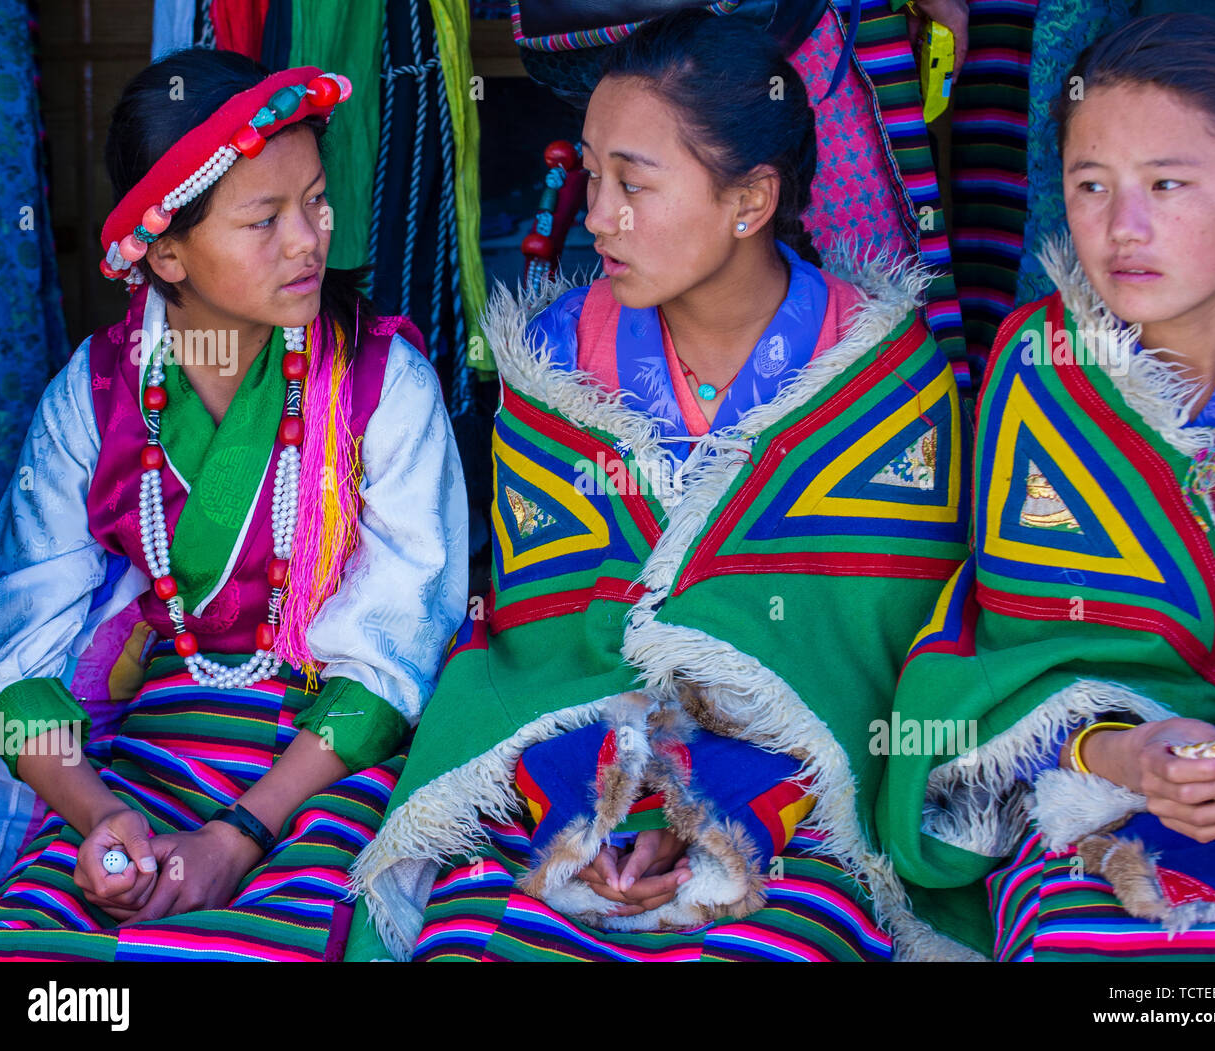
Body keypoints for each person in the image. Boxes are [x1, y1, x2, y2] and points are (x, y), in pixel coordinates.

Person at [348, 11, 974, 962]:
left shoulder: (878, 377)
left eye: (633, 184)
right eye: (592, 174)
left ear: (751, 199)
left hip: (807, 794)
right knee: (488, 935)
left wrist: (711, 798)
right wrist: (613, 796)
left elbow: (871, 656)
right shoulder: (559, 363)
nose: (596, 215)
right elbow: (547, 641)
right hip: (579, 771)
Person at [0, 48, 468, 961]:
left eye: (316, 201)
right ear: (166, 249)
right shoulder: (93, 397)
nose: (309, 239)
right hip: (147, 744)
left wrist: (236, 834)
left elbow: (397, 654)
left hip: (329, 756)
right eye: (264, 219)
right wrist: (104, 820)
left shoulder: (382, 383)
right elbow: (17, 657)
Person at [878, 14, 1215, 960]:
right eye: (1089, 186)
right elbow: (1011, 651)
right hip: (1095, 808)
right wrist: (1127, 752)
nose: (1120, 228)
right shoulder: (1043, 367)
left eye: (1168, 186)